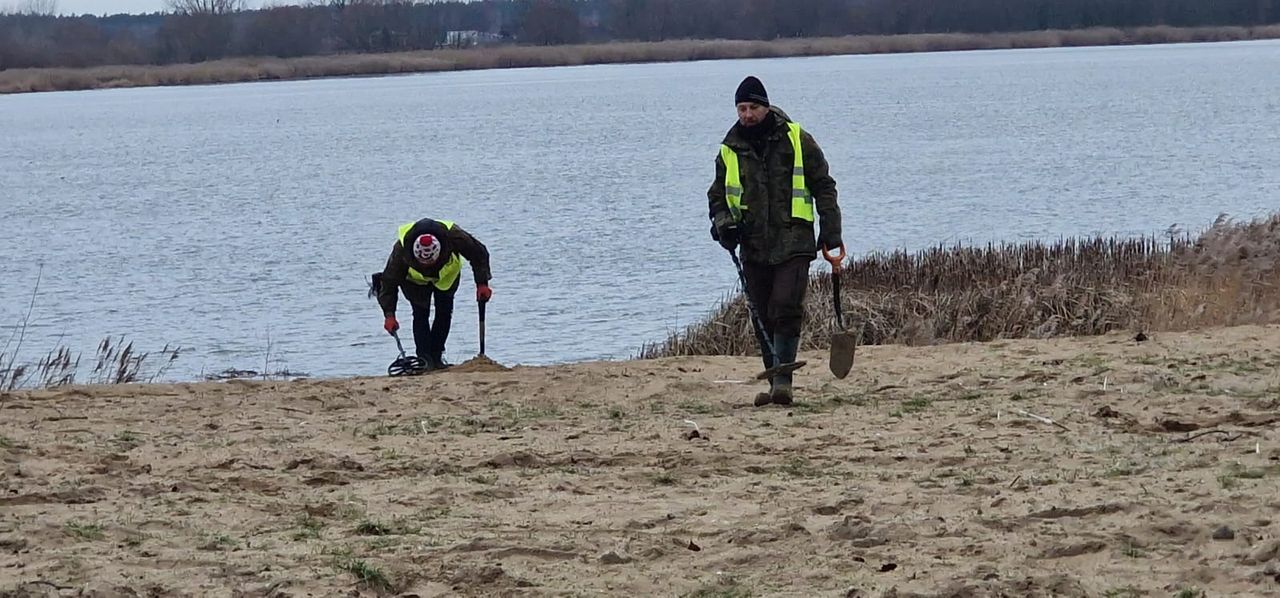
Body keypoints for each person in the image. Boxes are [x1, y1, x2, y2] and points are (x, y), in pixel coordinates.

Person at [707, 75, 842, 407]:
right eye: (741, 108)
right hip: (753, 246)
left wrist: (831, 230)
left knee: (785, 307)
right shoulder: (728, 150)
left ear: (766, 107)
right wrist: (723, 226)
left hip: (794, 241)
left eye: (753, 107)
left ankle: (783, 382)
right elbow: (717, 198)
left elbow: (824, 185)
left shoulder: (796, 138)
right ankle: (774, 383)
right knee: (762, 316)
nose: (747, 115)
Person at [374, 218, 492, 371]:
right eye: (423, 262)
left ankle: (437, 357)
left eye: (430, 261)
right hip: (415, 281)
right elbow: (389, 282)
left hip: (447, 276)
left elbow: (478, 254)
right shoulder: (401, 250)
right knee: (420, 314)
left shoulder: (453, 235)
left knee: (444, 312)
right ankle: (425, 360)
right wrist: (389, 315)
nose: (427, 266)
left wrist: (482, 283)